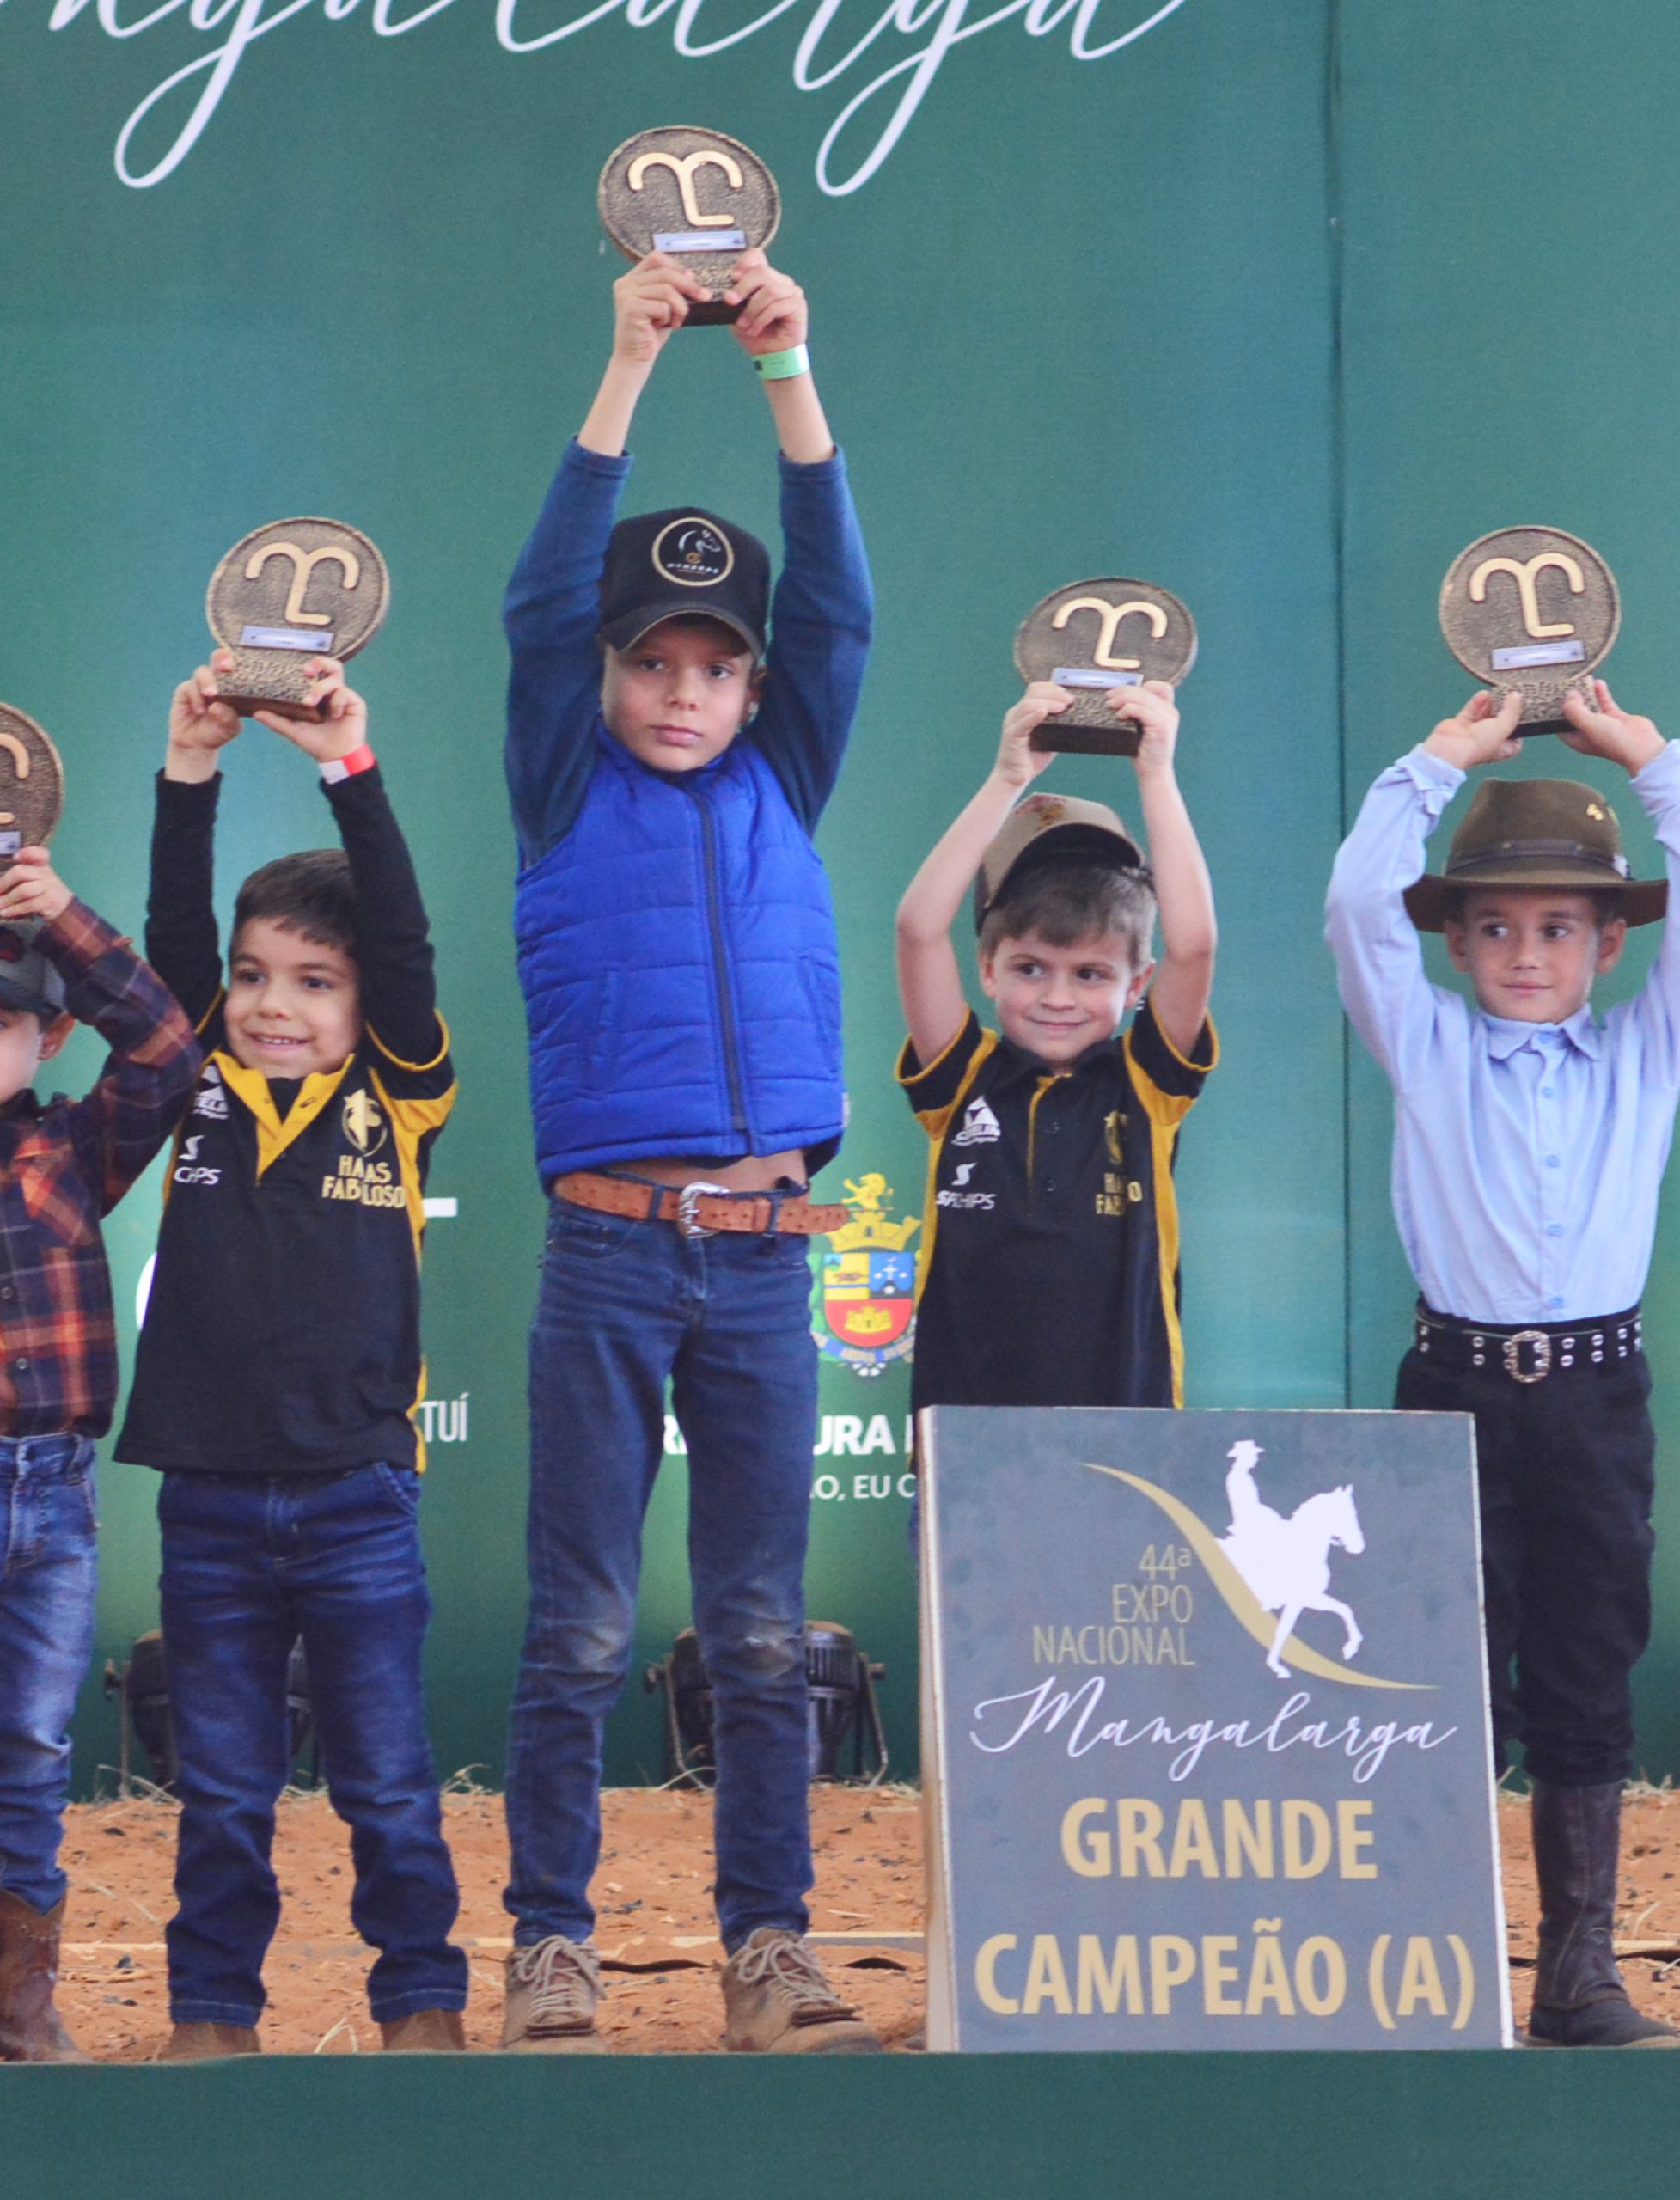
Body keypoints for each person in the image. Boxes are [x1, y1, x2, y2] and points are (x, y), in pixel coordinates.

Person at [498, 246, 875, 2054]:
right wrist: (632, 357)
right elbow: (539, 593)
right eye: (650, 659)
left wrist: (785, 365)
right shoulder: (558, 774)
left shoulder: (782, 774)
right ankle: (552, 1942)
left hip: (763, 1246)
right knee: (576, 1622)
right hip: (608, 1246)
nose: (681, 688)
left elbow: (843, 613)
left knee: (755, 1624)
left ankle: (769, 1946)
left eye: (712, 665)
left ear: (747, 690)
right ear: (607, 674)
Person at [1325, 677, 1680, 2047]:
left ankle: (1578, 1972)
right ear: (1450, 940)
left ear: (1611, 946)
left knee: (1583, 1667)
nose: (1525, 953)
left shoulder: (1648, 1052)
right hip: (1449, 1389)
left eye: (1560, 928)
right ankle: (1428, 1966)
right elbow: (1351, 912)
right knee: (1428, 1675)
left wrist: (1647, 752)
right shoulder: (1426, 1042)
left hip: (1593, 1396)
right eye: (1496, 926)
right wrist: (1433, 761)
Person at [117, 653, 467, 2058]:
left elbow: (407, 939)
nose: (272, 1004)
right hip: (205, 1500)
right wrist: (188, 765)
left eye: (314, 982)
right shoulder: (193, 1077)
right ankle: (212, 2015)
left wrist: (350, 768)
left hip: (357, 1502)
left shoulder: (401, 1093)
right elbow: (168, 937)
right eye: (257, 978)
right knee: (223, 1790)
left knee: (385, 1782)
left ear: (362, 1005)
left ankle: (422, 2006)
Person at [0, 840, 199, 2061]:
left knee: (29, 1747)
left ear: (50, 1037)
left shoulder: (73, 1149)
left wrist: (58, 915)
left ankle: (21, 2009)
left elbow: (171, 1047)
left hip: (54, 1499)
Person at [893, 679, 1217, 1424]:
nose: (1058, 997)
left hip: (1127, 1442)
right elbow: (918, 929)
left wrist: (1157, 774)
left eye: (1091, 973)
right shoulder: (960, 1080)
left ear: (1138, 982)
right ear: (987, 968)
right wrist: (1009, 778)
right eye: (1031, 967)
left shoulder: (1147, 1083)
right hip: (967, 1446)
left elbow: (1194, 944)